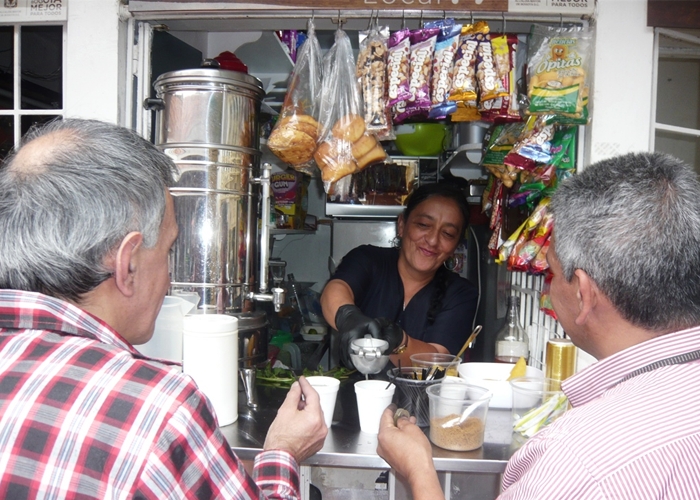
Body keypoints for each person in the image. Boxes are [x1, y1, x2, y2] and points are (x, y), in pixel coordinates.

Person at [0, 119, 327, 500]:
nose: (170, 279)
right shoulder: (156, 409)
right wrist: (282, 452)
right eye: (169, 250)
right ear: (127, 264)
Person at [377, 151, 700, 499]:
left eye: (551, 272)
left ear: (584, 293)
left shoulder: (576, 462)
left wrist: (417, 468)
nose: (549, 284)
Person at [321, 182, 479, 368]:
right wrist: (348, 317)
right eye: (423, 224)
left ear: (456, 246)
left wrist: (400, 342)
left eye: (448, 233)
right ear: (402, 225)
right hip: (356, 393)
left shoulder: (461, 293)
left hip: (420, 397)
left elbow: (438, 360)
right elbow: (336, 290)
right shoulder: (368, 259)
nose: (433, 240)